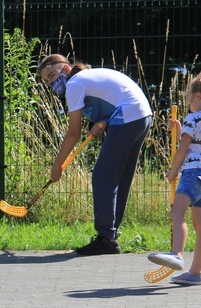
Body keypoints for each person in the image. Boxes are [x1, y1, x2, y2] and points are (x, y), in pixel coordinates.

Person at [38, 54, 153, 255]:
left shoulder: (74, 84)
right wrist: (105, 122)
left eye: (52, 75)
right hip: (142, 115)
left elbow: (73, 132)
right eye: (47, 81)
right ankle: (110, 235)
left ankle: (106, 238)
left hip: (128, 115)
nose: (52, 82)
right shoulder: (86, 78)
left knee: (102, 176)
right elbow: (116, 97)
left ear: (65, 69)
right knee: (119, 178)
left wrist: (57, 166)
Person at [147, 72, 201, 285]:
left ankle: (176, 254)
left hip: (192, 173)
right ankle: (195, 273)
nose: (188, 101)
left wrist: (173, 170)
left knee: (177, 211)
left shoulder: (192, 118)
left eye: (188, 97)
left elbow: (184, 148)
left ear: (197, 95)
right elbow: (197, 141)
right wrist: (178, 128)